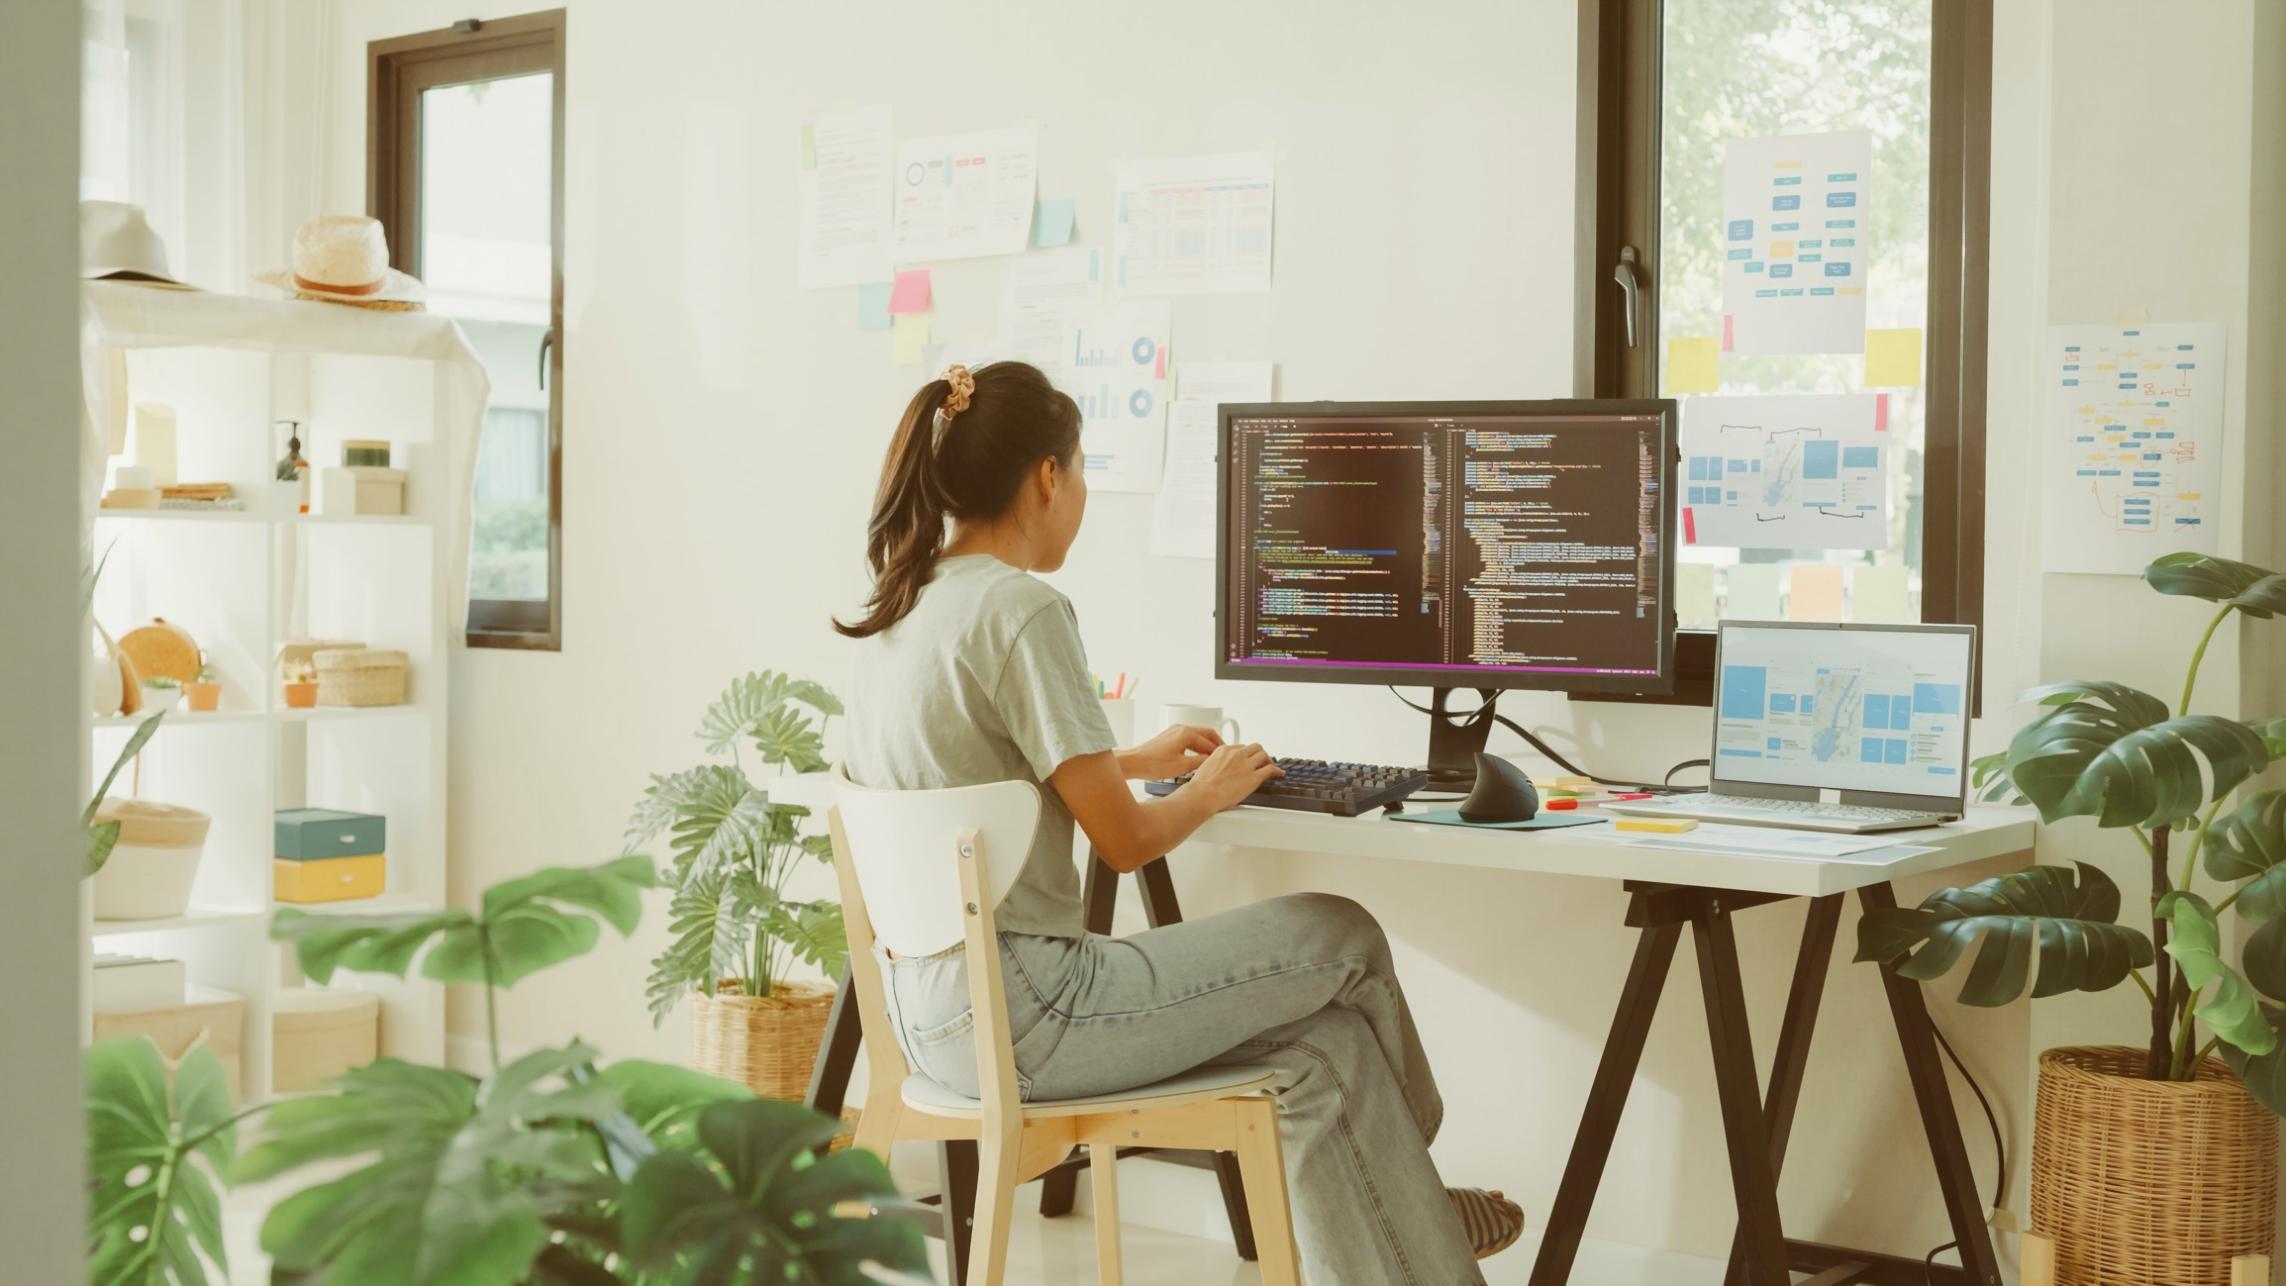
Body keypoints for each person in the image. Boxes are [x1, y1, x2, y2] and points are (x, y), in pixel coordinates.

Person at [837, 361, 1522, 1284]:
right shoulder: (1023, 607)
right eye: (1080, 476)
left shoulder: (905, 603)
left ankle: (1415, 1238)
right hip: (1031, 1010)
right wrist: (1210, 789)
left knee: (1327, 1052)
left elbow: (965, 773)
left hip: (930, 1021)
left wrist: (1128, 762)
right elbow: (1123, 844)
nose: (1080, 496)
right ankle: (1421, 1188)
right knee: (1344, 934)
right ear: (1048, 477)